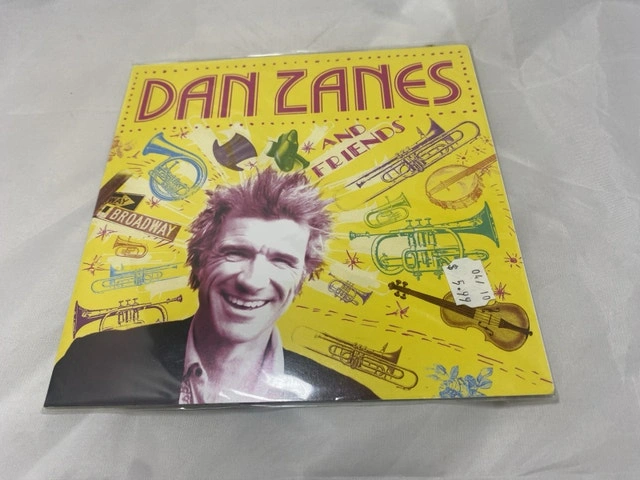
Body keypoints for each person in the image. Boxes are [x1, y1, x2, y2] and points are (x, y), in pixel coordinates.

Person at [45, 168, 377, 407]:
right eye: (235, 253)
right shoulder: (93, 362)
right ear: (199, 260)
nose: (251, 281)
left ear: (303, 277)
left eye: (282, 261)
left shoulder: (351, 399)